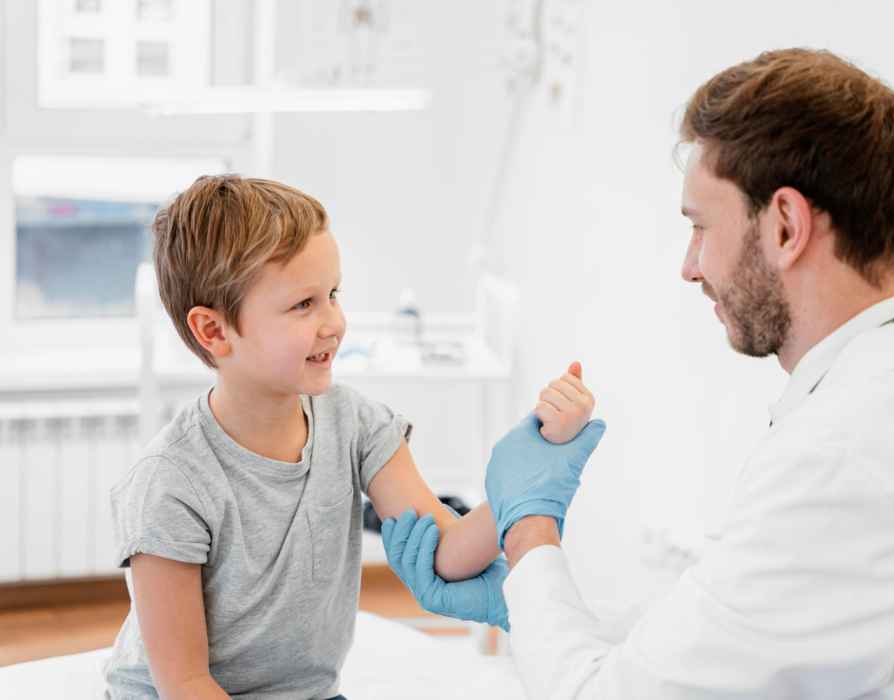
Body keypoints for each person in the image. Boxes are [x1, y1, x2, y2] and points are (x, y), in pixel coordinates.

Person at [382, 48, 894, 699]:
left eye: (700, 227)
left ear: (785, 226)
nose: (691, 267)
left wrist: (529, 532)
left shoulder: (853, 454)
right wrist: (528, 602)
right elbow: (722, 638)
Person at [103, 175, 597, 699]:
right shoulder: (171, 483)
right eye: (303, 304)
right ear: (213, 331)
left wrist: (519, 486)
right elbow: (184, 682)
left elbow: (444, 554)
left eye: (333, 294)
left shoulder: (354, 423)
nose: (334, 322)